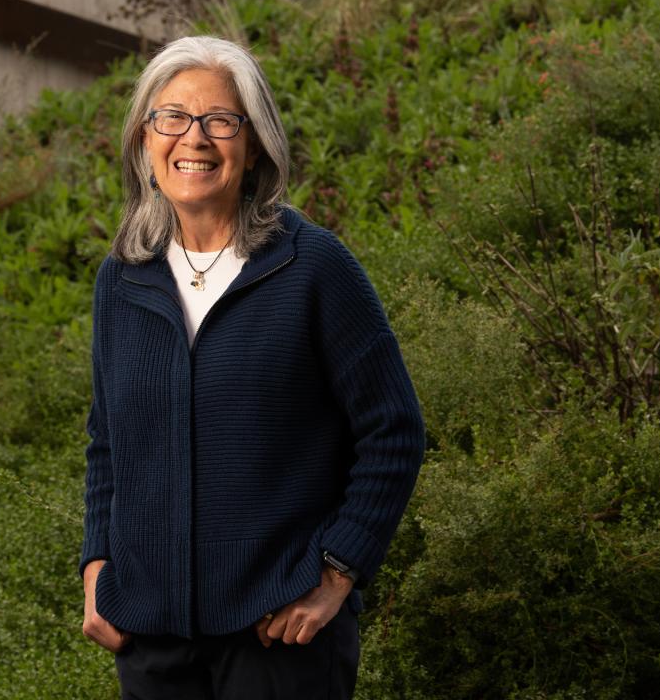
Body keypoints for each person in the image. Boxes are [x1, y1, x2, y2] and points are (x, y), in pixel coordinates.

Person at [80, 35, 424, 700]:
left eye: (221, 120)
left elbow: (394, 432)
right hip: (153, 643)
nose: (195, 138)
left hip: (279, 642)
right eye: (172, 117)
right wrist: (98, 569)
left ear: (255, 143)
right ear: (146, 142)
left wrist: (336, 574)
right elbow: (107, 443)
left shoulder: (313, 268)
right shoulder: (121, 281)